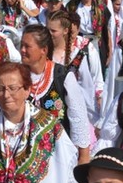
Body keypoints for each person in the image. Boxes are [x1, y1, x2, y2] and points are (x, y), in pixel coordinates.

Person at [19, 24, 91, 165]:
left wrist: (83, 158)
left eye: (27, 46)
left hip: (58, 156)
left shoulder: (62, 77)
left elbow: (79, 119)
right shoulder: (16, 76)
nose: (22, 50)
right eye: (21, 45)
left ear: (43, 50)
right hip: (23, 157)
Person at [47, 11, 103, 126]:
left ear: (65, 31)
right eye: (47, 29)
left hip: (74, 117)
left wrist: (94, 120)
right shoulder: (44, 53)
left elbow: (88, 89)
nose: (49, 34)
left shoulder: (78, 56)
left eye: (53, 31)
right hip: (49, 115)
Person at [66, 0, 112, 72]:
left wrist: (110, 51)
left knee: (96, 72)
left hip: (97, 43)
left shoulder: (101, 7)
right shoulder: (72, 6)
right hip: (78, 42)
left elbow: (107, 30)